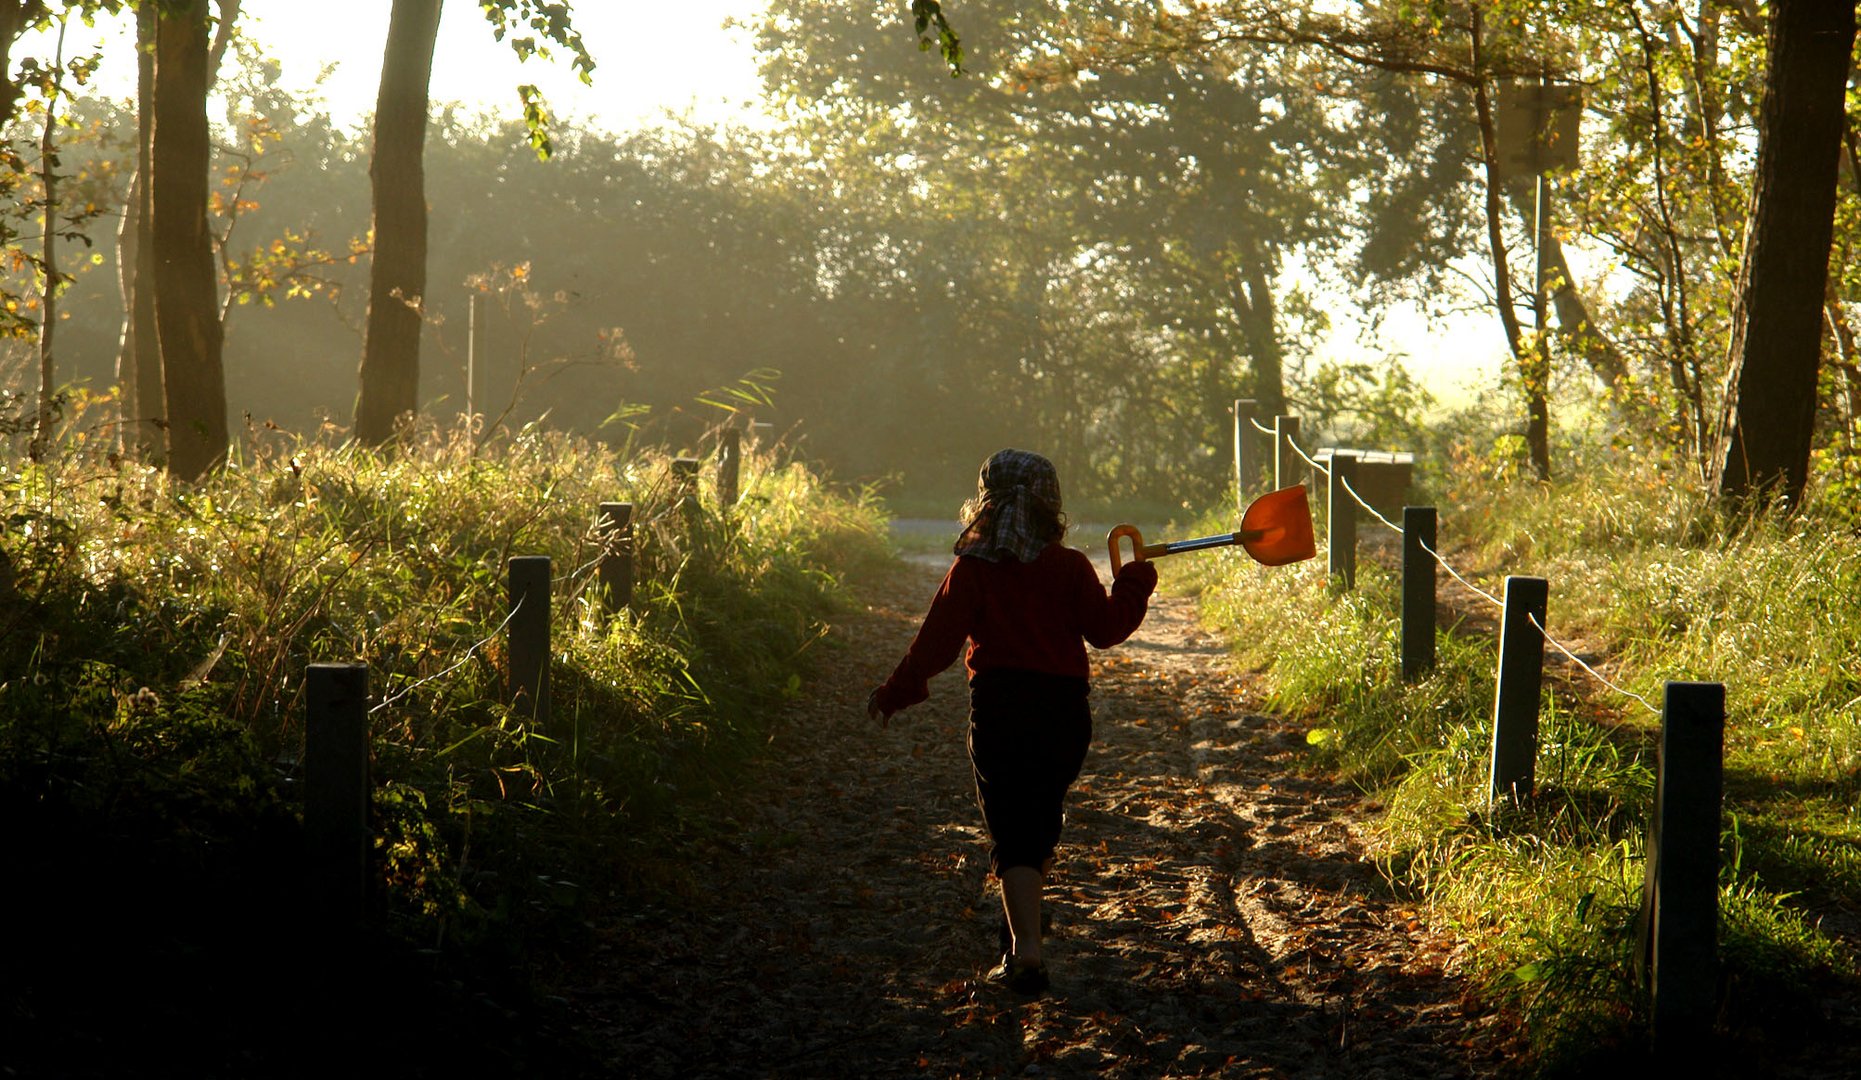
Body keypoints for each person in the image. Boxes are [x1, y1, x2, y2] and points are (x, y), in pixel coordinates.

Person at [866, 448, 1157, 995]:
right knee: (1039, 820)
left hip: (1001, 710)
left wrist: (896, 691)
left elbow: (936, 644)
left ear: (986, 503)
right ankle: (1024, 920)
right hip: (1064, 714)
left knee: (1013, 830)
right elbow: (1107, 627)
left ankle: (1025, 954)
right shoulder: (1067, 566)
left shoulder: (973, 569)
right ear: (1051, 506)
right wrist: (1134, 585)